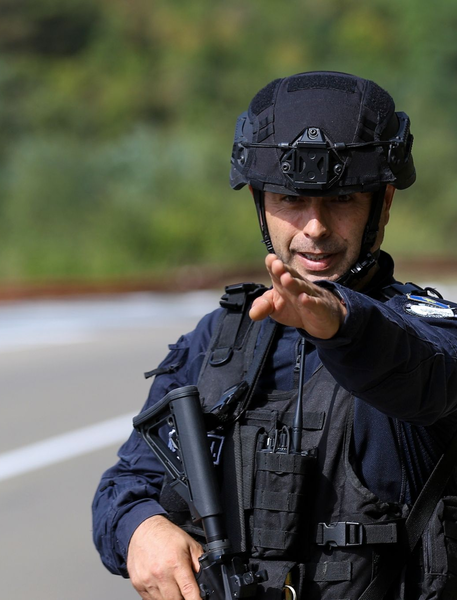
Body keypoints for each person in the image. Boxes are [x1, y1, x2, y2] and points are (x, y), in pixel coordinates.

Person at [92, 71, 457, 600]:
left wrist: (342, 323)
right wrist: (140, 531)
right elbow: (127, 485)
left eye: (343, 199)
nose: (314, 226)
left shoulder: (426, 331)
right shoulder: (221, 340)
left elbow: (424, 375)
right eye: (291, 198)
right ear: (261, 201)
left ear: (384, 202)